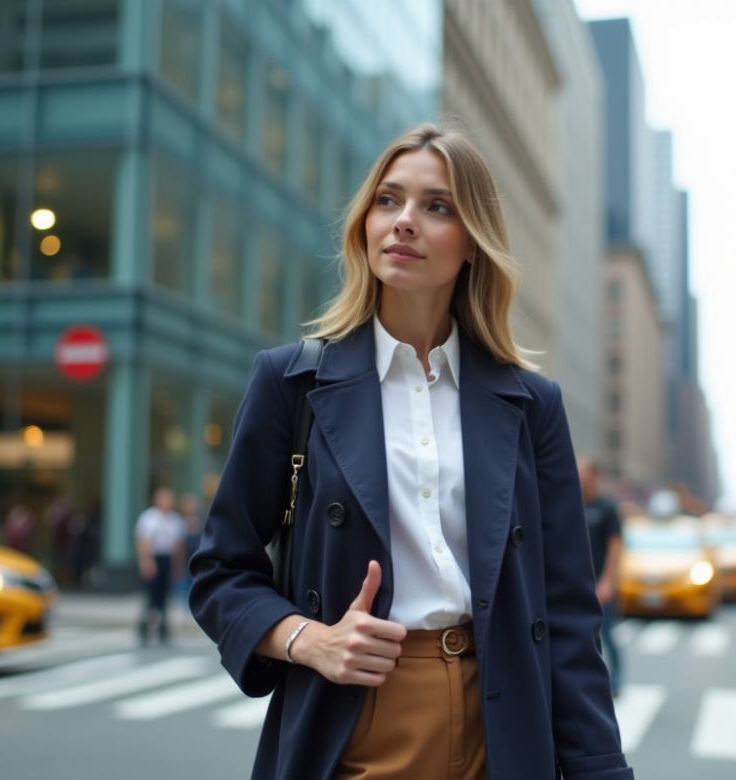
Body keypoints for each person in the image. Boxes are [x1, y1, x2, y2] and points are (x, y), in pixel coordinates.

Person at [190, 124, 630, 780]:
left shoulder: (532, 406)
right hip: (357, 717)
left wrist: (601, 770)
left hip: (503, 726)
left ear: (474, 245)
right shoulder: (292, 384)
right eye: (388, 201)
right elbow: (220, 569)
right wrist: (309, 641)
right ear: (364, 225)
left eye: (437, 207)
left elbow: (566, 615)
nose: (404, 222)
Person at [578, 456, 623, 697]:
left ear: (594, 476)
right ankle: (590, 682)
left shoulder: (606, 507)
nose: (576, 474)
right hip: (578, 584)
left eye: (581, 471)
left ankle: (616, 681)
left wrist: (607, 581)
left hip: (601, 584)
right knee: (583, 635)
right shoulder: (572, 504)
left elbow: (616, 545)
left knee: (608, 634)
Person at [135, 487, 186, 645]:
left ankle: (163, 629)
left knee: (166, 597)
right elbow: (143, 542)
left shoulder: (175, 520)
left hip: (167, 558)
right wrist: (146, 561)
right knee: (151, 596)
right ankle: (144, 628)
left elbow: (179, 545)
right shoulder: (149, 518)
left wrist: (178, 566)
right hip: (154, 557)